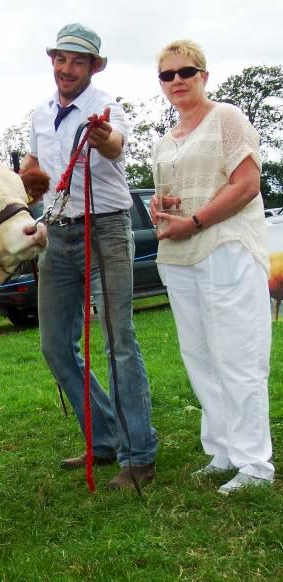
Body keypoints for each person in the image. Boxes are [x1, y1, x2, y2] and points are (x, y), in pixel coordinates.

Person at [21, 23, 157, 489]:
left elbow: (116, 145)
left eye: (78, 61)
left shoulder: (107, 107)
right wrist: (19, 182)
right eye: (61, 59)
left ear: (93, 67)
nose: (67, 68)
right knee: (55, 345)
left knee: (119, 341)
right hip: (57, 233)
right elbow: (34, 167)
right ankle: (103, 438)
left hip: (107, 231)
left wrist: (103, 137)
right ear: (52, 61)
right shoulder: (40, 114)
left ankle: (139, 455)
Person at [151, 40, 274, 494]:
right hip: (179, 257)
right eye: (167, 75)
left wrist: (196, 221)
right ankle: (223, 451)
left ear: (204, 75)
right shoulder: (166, 140)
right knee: (200, 357)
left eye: (186, 71)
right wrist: (161, 208)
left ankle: (255, 464)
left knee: (238, 356)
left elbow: (246, 184)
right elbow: (172, 196)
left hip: (226, 247)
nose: (177, 81)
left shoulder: (227, 118)